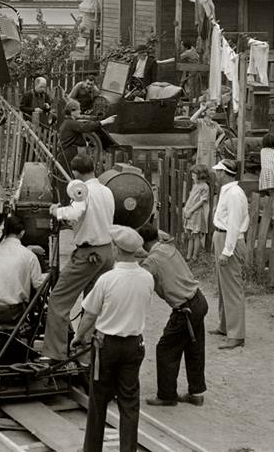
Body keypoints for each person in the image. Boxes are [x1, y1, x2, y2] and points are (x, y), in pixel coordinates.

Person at [72, 226, 154, 452]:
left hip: (106, 346)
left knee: (98, 401)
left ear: (117, 249)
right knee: (129, 402)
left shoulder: (107, 280)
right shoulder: (147, 278)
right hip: (133, 345)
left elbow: (89, 314)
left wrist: (78, 337)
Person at [42, 154, 116, 362]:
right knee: (93, 303)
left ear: (75, 173)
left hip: (88, 254)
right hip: (106, 252)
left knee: (59, 300)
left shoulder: (82, 191)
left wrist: (57, 211)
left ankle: (55, 353)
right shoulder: (107, 190)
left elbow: (75, 213)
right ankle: (88, 350)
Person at [137, 223, 207, 409]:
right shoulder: (167, 245)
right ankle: (196, 393)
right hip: (199, 300)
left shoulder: (151, 262)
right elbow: (164, 235)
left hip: (185, 309)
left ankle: (167, 395)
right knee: (195, 349)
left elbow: (140, 281)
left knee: (165, 349)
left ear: (143, 243)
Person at [0, 214, 48, 324]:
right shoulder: (29, 256)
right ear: (22, 233)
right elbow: (39, 288)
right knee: (32, 284)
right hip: (13, 313)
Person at [210, 158, 248, 349]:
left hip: (229, 239)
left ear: (224, 174)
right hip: (221, 237)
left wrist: (227, 251)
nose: (215, 175)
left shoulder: (234, 194)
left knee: (232, 287)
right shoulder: (228, 191)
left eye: (218, 172)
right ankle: (225, 325)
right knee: (223, 284)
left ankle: (237, 334)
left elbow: (234, 225)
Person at [56, 100, 116, 186]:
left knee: (71, 178)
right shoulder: (71, 123)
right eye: (78, 109)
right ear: (72, 111)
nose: (80, 111)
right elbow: (85, 127)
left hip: (69, 153)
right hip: (70, 154)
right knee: (70, 179)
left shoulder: (68, 122)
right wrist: (104, 122)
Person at [182, 164, 211, 262]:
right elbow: (191, 199)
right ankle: (188, 256)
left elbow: (202, 201)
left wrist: (190, 211)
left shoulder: (205, 187)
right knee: (190, 235)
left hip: (196, 214)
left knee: (196, 235)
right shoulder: (195, 185)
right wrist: (186, 209)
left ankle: (194, 256)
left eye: (194, 175)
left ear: (201, 175)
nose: (192, 176)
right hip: (190, 212)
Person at [190, 98, 223, 167]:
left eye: (214, 110)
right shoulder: (201, 122)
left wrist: (217, 143)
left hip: (212, 150)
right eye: (211, 110)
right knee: (202, 169)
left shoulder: (215, 124)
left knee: (211, 170)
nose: (213, 112)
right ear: (205, 111)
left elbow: (223, 133)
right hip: (203, 151)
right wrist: (201, 109)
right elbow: (192, 119)